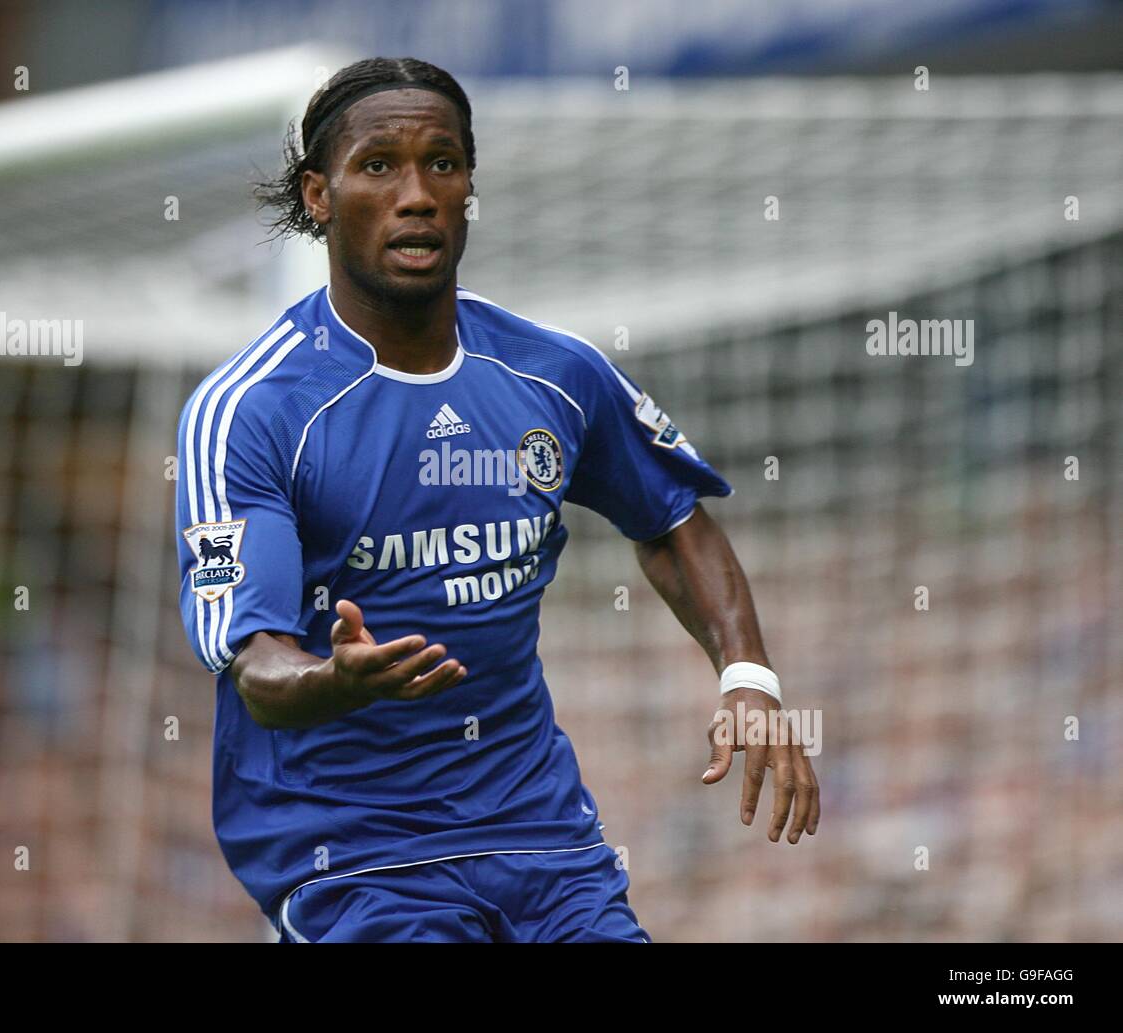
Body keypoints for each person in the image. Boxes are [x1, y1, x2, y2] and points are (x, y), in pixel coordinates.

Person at [175, 56, 818, 943]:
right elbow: (257, 666)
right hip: (351, 851)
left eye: (442, 164)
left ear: (469, 187)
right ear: (318, 197)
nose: (417, 194)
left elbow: (671, 522)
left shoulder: (554, 375)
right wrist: (335, 680)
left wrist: (747, 676)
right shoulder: (252, 412)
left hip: (542, 836)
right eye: (378, 166)